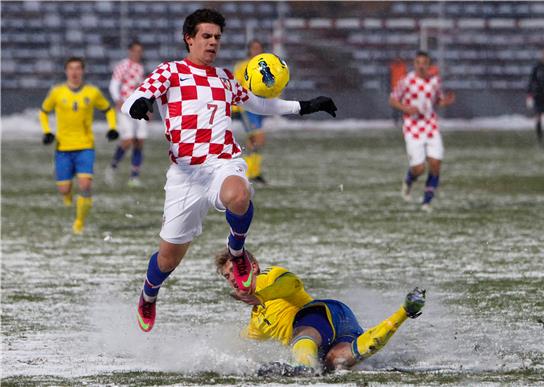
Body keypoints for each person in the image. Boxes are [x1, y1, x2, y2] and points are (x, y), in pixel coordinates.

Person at [121, 9, 337, 332]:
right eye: (206, 36)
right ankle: (148, 295)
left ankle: (237, 254)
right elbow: (135, 96)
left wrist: (304, 106)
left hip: (223, 162)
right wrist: (140, 103)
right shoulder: (171, 72)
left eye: (217, 38)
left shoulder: (224, 78)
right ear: (189, 38)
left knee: (239, 194)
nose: (212, 43)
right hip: (185, 176)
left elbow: (257, 103)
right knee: (167, 260)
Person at [215, 249, 426, 373]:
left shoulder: (268, 276)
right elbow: (244, 339)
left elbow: (291, 284)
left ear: (252, 266)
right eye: (227, 276)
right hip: (338, 330)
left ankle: (304, 369)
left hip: (322, 315)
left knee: (302, 331)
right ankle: (406, 310)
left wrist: (261, 295)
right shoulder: (257, 320)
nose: (232, 278)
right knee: (337, 360)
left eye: (235, 270)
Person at [39, 57, 118, 234]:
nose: (74, 72)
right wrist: (47, 131)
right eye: (71, 69)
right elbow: (44, 112)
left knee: (85, 185)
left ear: (83, 71)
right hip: (63, 148)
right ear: (66, 71)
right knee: (64, 188)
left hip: (85, 146)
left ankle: (79, 223)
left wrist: (112, 128)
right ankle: (67, 196)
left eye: (77, 69)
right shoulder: (57, 92)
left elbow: (108, 109)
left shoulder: (92, 92)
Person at [389, 51, 455, 213]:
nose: (421, 66)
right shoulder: (406, 81)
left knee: (435, 163)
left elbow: (437, 100)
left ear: (428, 64)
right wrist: (405, 108)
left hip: (430, 125)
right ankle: (409, 180)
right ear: (414, 64)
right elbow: (392, 99)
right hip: (413, 127)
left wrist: (444, 102)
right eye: (418, 62)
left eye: (424, 63)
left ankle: (426, 202)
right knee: (419, 168)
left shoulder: (434, 81)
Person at [106, 40, 147, 187]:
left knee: (139, 141)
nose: (138, 54)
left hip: (138, 108)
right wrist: (118, 100)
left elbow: (141, 88)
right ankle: (113, 166)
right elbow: (114, 84)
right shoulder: (123, 65)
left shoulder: (140, 68)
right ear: (130, 51)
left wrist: (146, 107)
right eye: (135, 51)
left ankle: (134, 177)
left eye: (140, 51)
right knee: (128, 139)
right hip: (125, 107)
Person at [233, 39, 268, 184]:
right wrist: (234, 107)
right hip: (247, 108)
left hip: (260, 107)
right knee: (258, 138)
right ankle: (249, 172)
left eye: (258, 48)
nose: (256, 50)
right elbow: (235, 86)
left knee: (253, 140)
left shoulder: (266, 67)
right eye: (254, 48)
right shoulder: (242, 66)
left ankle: (254, 172)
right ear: (249, 50)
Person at [389, 57, 407, 127]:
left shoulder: (403, 67)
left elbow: (405, 77)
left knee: (403, 105)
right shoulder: (393, 67)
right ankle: (396, 120)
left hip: (402, 89)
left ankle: (403, 119)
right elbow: (390, 77)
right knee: (395, 106)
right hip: (395, 89)